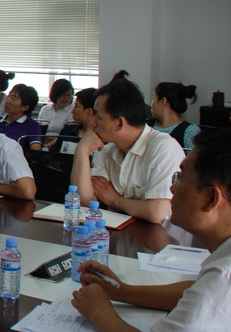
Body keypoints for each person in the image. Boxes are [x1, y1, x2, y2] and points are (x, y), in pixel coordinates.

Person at [71, 127, 231, 332]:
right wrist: (121, 291)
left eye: (180, 178)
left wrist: (99, 309)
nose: (171, 188)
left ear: (212, 198)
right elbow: (198, 291)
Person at [70, 77, 184, 224]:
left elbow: (156, 212)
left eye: (98, 117)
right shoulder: (107, 150)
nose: (92, 123)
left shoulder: (163, 148)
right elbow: (85, 201)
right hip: (121, 232)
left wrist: (115, 200)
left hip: (160, 234)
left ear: (119, 123)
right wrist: (81, 151)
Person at [151, 82, 201, 150]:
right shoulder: (146, 126)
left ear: (163, 101)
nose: (151, 104)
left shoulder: (189, 131)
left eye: (153, 98)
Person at [0, 84, 43, 151]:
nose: (7, 101)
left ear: (25, 107)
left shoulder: (32, 125)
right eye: (9, 96)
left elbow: (35, 151)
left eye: (13, 98)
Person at [37, 79, 74, 150]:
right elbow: (39, 130)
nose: (66, 98)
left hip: (61, 144)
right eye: (63, 95)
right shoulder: (45, 109)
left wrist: (50, 143)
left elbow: (68, 134)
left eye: (69, 95)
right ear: (55, 94)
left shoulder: (73, 110)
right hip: (42, 143)